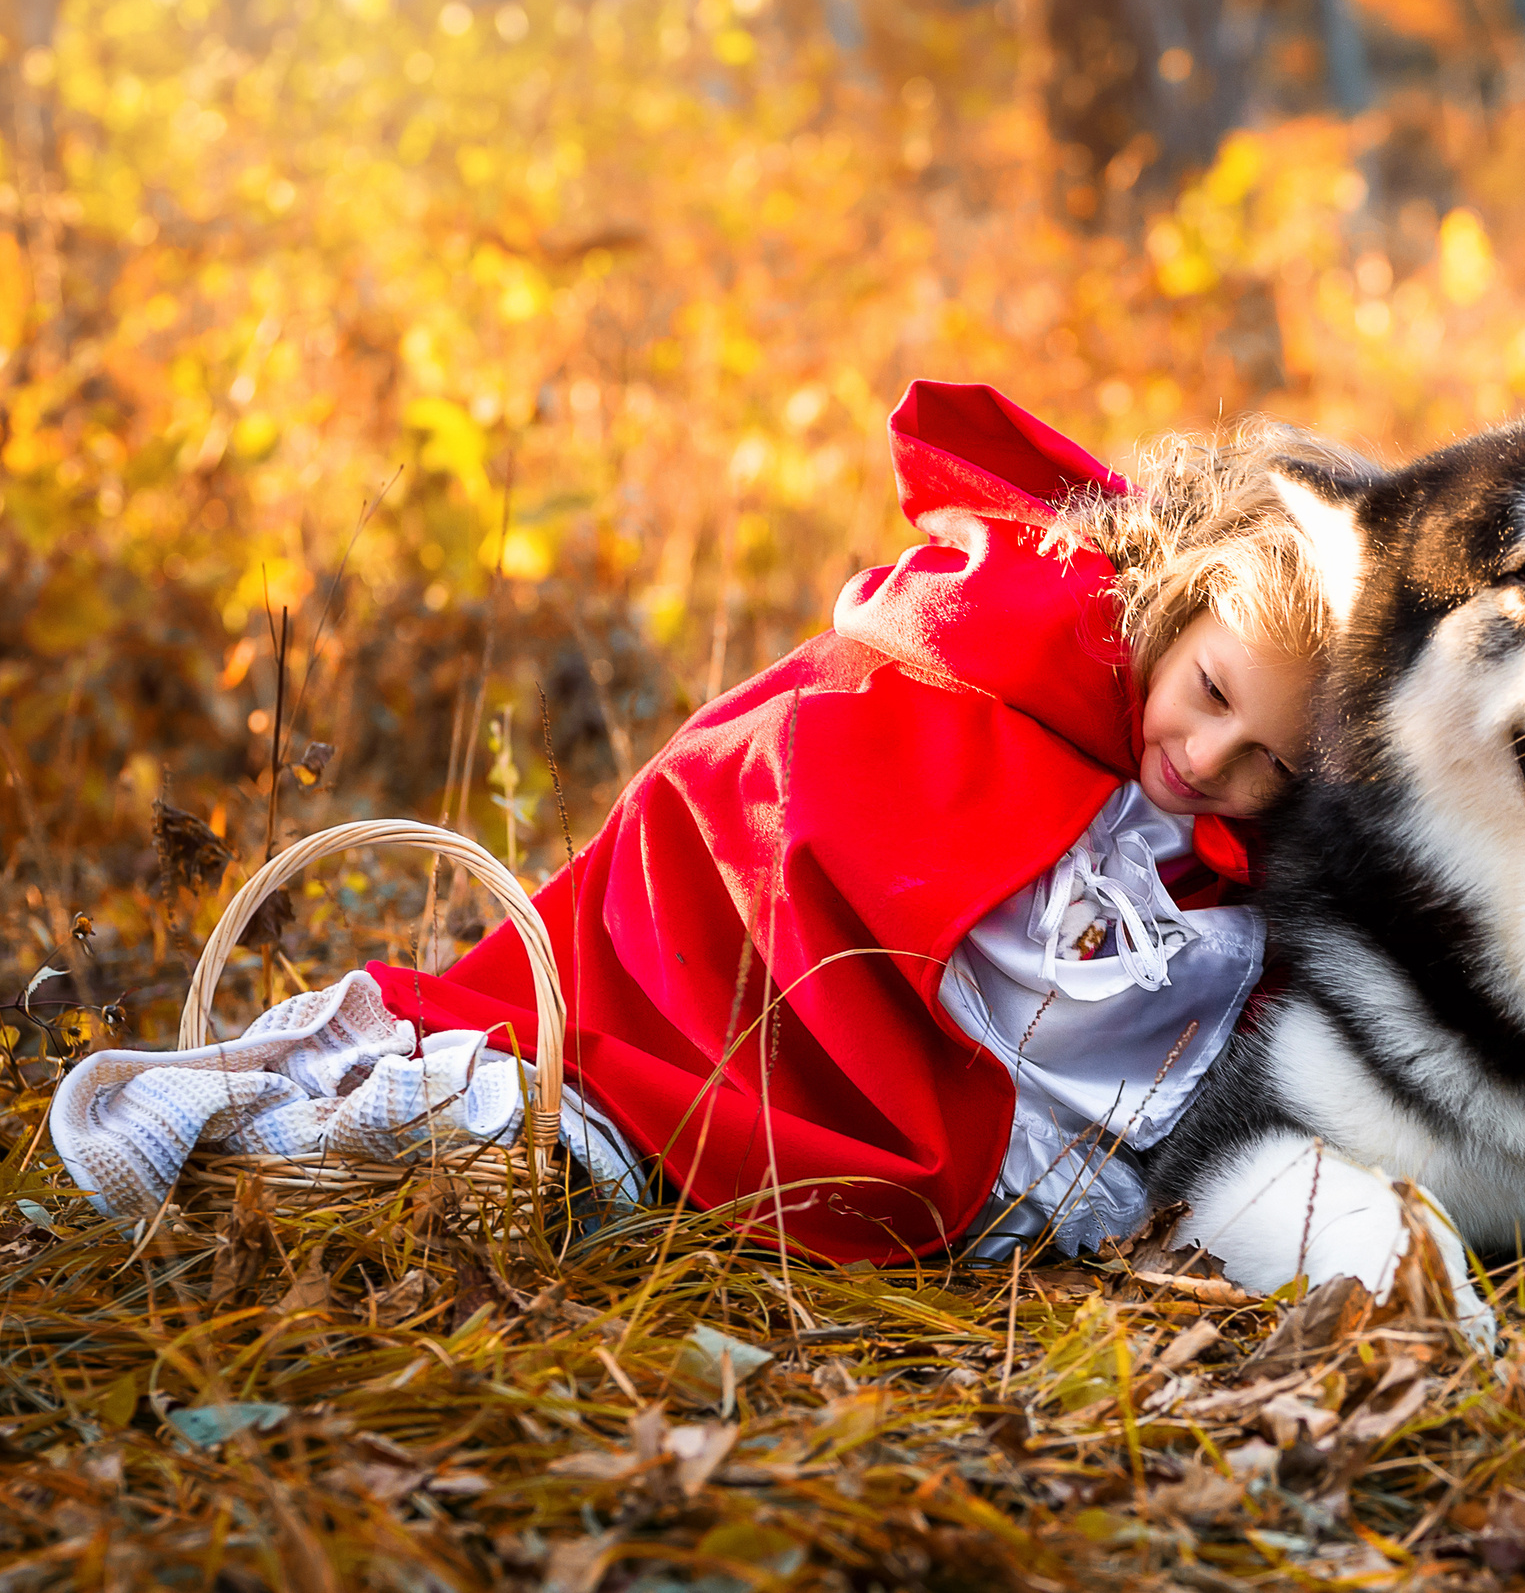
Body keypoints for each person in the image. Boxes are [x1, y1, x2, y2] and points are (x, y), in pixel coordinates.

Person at [53, 381, 1372, 1267]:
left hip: (906, 1074)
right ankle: (408, 1112)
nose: (1206, 761)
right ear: (1181, 599)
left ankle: (553, 1143)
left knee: (630, 1154)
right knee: (561, 1078)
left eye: (1267, 763)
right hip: (719, 953)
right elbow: (775, 775)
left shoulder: (1229, 872)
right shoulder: (996, 642)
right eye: (1207, 695)